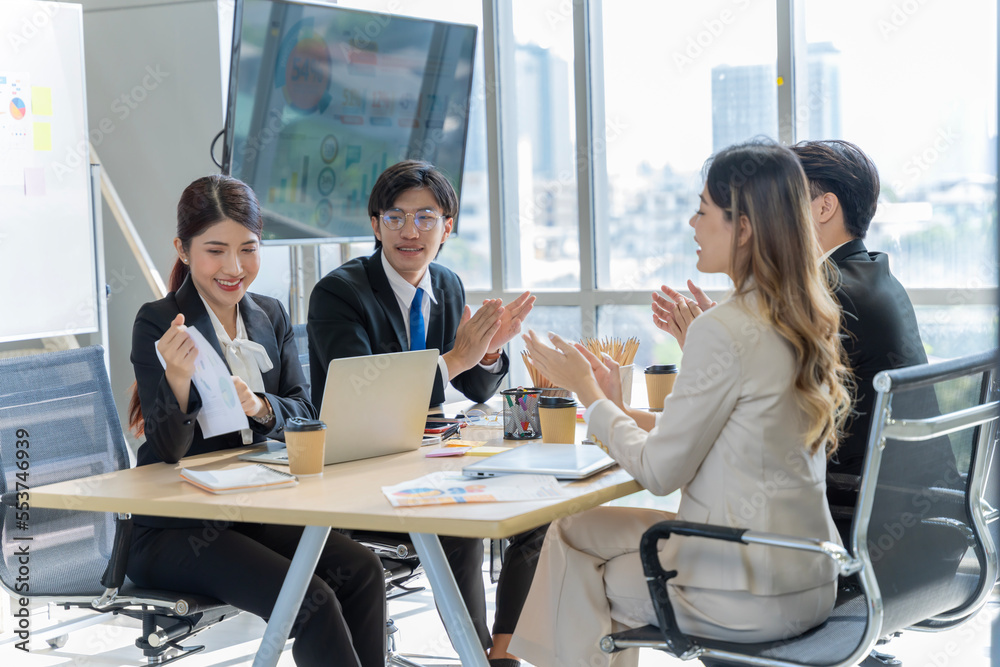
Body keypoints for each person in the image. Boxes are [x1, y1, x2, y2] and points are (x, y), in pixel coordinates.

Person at [511, 141, 852, 667]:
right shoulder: (805, 314)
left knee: (581, 571)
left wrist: (588, 392)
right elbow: (723, 430)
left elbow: (659, 472)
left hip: (745, 594)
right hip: (808, 573)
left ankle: (519, 656)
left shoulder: (723, 327)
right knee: (571, 532)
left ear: (742, 228)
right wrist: (614, 405)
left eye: (702, 210)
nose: (692, 224)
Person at [126, 175, 385, 667]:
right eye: (215, 251)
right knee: (312, 602)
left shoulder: (270, 314)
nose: (234, 267)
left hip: (255, 512)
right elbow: (166, 451)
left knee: (363, 570)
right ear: (183, 250)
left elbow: (306, 412)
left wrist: (261, 407)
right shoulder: (159, 320)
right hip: (177, 530)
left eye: (248, 249)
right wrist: (177, 379)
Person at [653, 140, 948, 535]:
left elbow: (750, 428)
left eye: (787, 201)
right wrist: (725, 336)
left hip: (855, 519)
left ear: (824, 208)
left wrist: (712, 344)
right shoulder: (874, 277)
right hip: (918, 518)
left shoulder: (827, 298)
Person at [307, 160, 535, 652]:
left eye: (426, 218)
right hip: (360, 477)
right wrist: (457, 358)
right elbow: (367, 396)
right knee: (460, 524)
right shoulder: (339, 294)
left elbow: (471, 386)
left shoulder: (446, 285)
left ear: (447, 227)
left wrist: (487, 353)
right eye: (395, 217)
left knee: (539, 512)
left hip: (428, 461)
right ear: (376, 225)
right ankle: (476, 656)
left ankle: (501, 652)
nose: (410, 232)